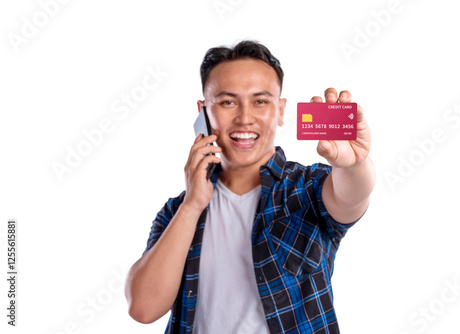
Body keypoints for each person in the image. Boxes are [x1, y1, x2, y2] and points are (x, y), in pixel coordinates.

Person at [125, 40, 376, 334]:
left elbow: (351, 197)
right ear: (203, 111)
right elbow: (143, 308)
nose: (244, 118)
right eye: (228, 102)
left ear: (280, 110)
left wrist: (353, 165)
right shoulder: (175, 212)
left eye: (260, 101)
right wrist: (192, 205)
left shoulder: (307, 189)